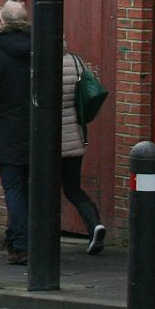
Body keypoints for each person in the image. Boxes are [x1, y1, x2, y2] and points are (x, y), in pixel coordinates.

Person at [0, 0, 32, 265]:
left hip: (7, 128)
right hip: (36, 127)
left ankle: (21, 244)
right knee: (28, 188)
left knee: (14, 188)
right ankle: (14, 236)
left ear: (3, 21)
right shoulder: (38, 48)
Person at [61, 51, 109, 254]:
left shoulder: (39, 61)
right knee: (73, 188)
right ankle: (94, 225)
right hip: (75, 136)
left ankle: (36, 236)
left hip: (47, 139)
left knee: (39, 190)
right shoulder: (76, 61)